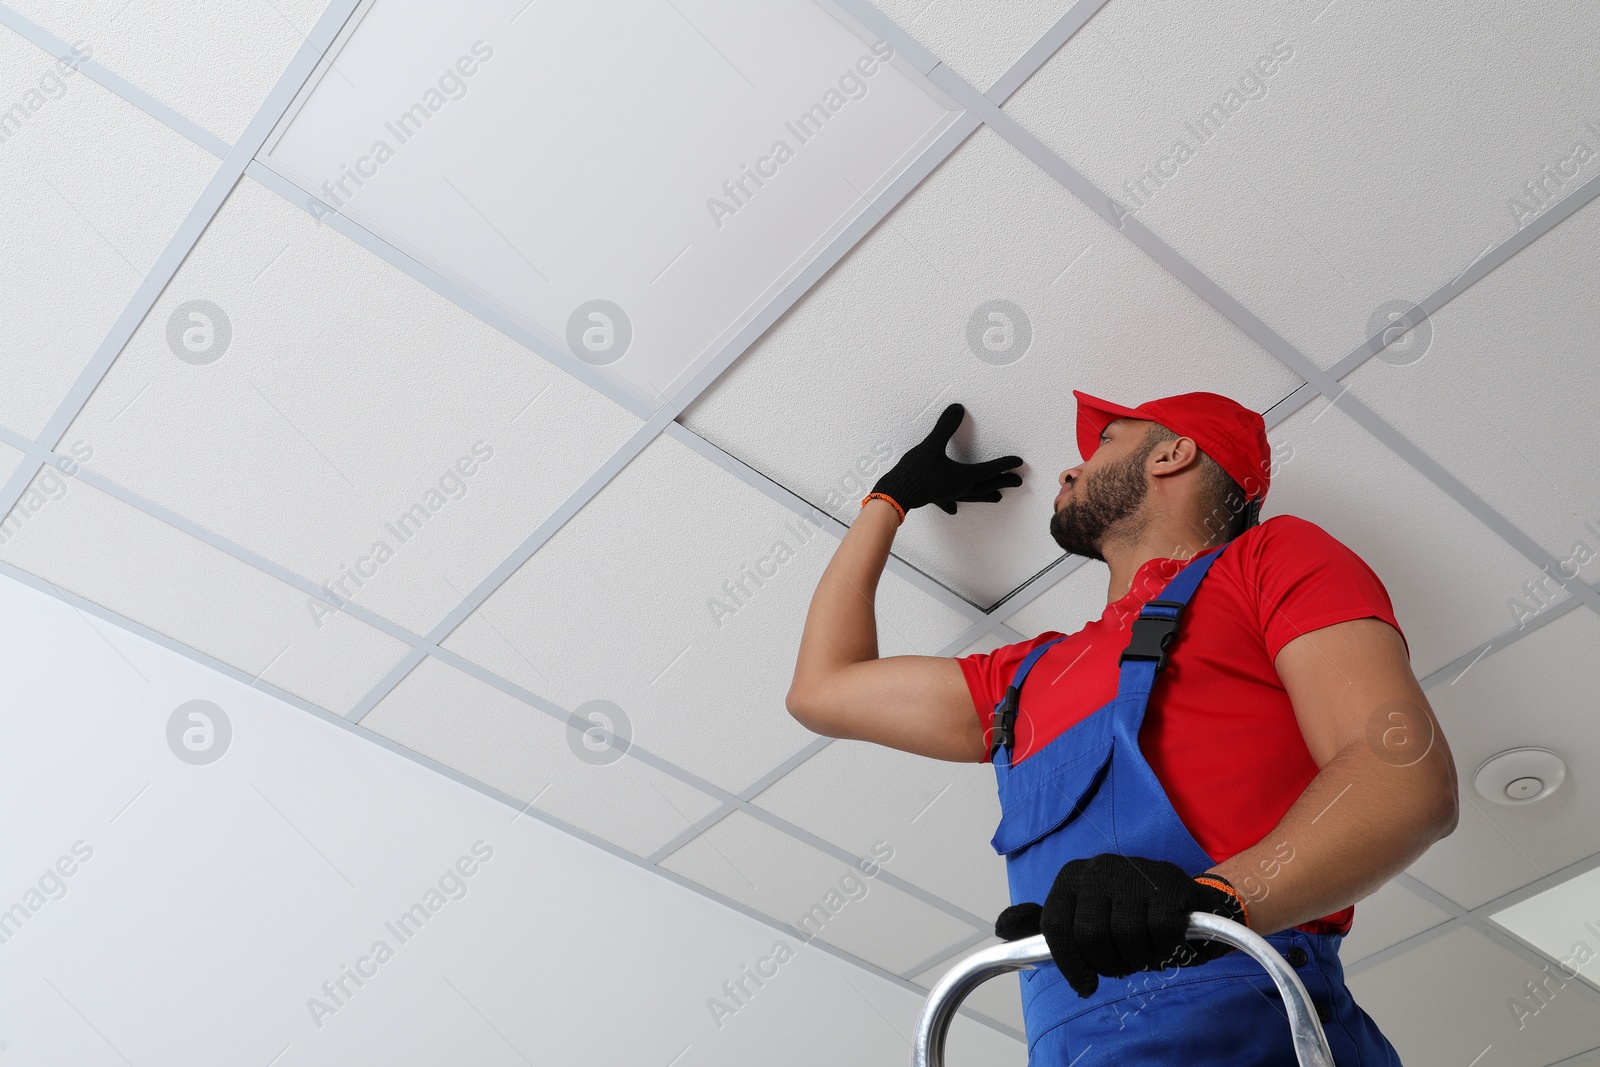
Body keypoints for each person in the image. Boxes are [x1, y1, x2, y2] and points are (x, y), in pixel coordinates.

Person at [785, 391, 1458, 1065]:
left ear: (1174, 453)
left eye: (1104, 442)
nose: (1069, 472)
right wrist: (889, 498)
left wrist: (1210, 906)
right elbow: (822, 689)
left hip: (1258, 1030)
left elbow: (1402, 772)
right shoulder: (1022, 675)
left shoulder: (1267, 561)